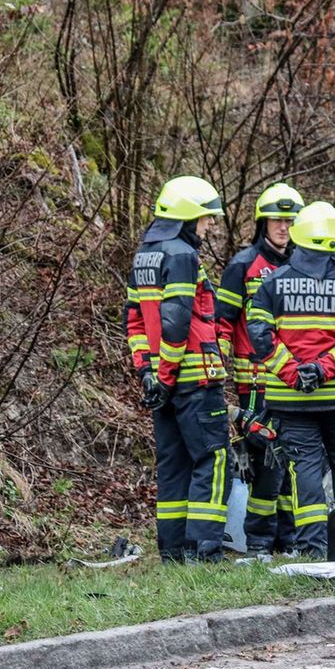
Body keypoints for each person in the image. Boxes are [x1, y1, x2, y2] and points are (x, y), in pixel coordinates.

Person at [246, 201, 335, 557]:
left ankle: (311, 549)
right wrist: (324, 369)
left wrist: (294, 373)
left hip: (293, 401)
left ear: (298, 237)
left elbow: (259, 335)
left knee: (302, 470)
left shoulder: (271, 284)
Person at [124, 175, 233, 562]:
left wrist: (149, 374)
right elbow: (176, 321)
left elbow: (134, 322)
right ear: (187, 217)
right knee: (214, 458)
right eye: (205, 218)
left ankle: (173, 551)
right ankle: (206, 551)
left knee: (173, 464)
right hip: (193, 380)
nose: (210, 225)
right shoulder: (183, 256)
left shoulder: (145, 255)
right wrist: (167, 375)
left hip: (163, 384)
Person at [217, 183, 305, 556]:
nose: (284, 227)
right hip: (254, 383)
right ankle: (258, 543)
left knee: (293, 463)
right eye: (276, 220)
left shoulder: (304, 264)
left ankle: (289, 540)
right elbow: (221, 323)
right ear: (262, 223)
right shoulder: (243, 265)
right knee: (266, 464)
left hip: (296, 381)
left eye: (290, 220)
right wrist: (220, 377)